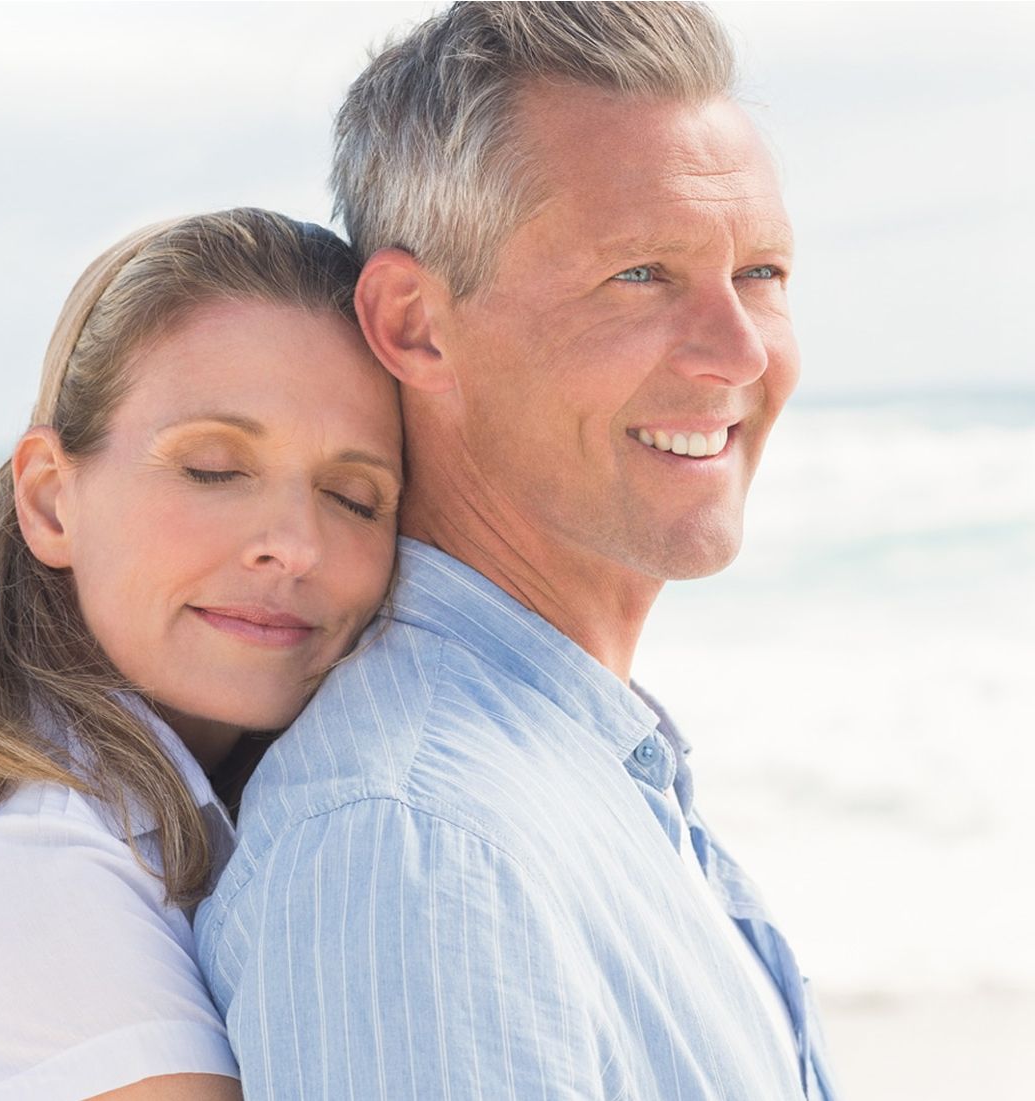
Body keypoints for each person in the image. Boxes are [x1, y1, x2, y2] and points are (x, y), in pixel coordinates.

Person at [197, 5, 839, 1099]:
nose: (737, 352)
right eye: (640, 273)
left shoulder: (560, 766)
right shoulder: (414, 853)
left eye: (761, 274)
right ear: (414, 326)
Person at [0, 208, 403, 1100]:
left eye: (352, 495)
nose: (294, 542)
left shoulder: (232, 821)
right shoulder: (19, 872)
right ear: (53, 502)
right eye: (214, 468)